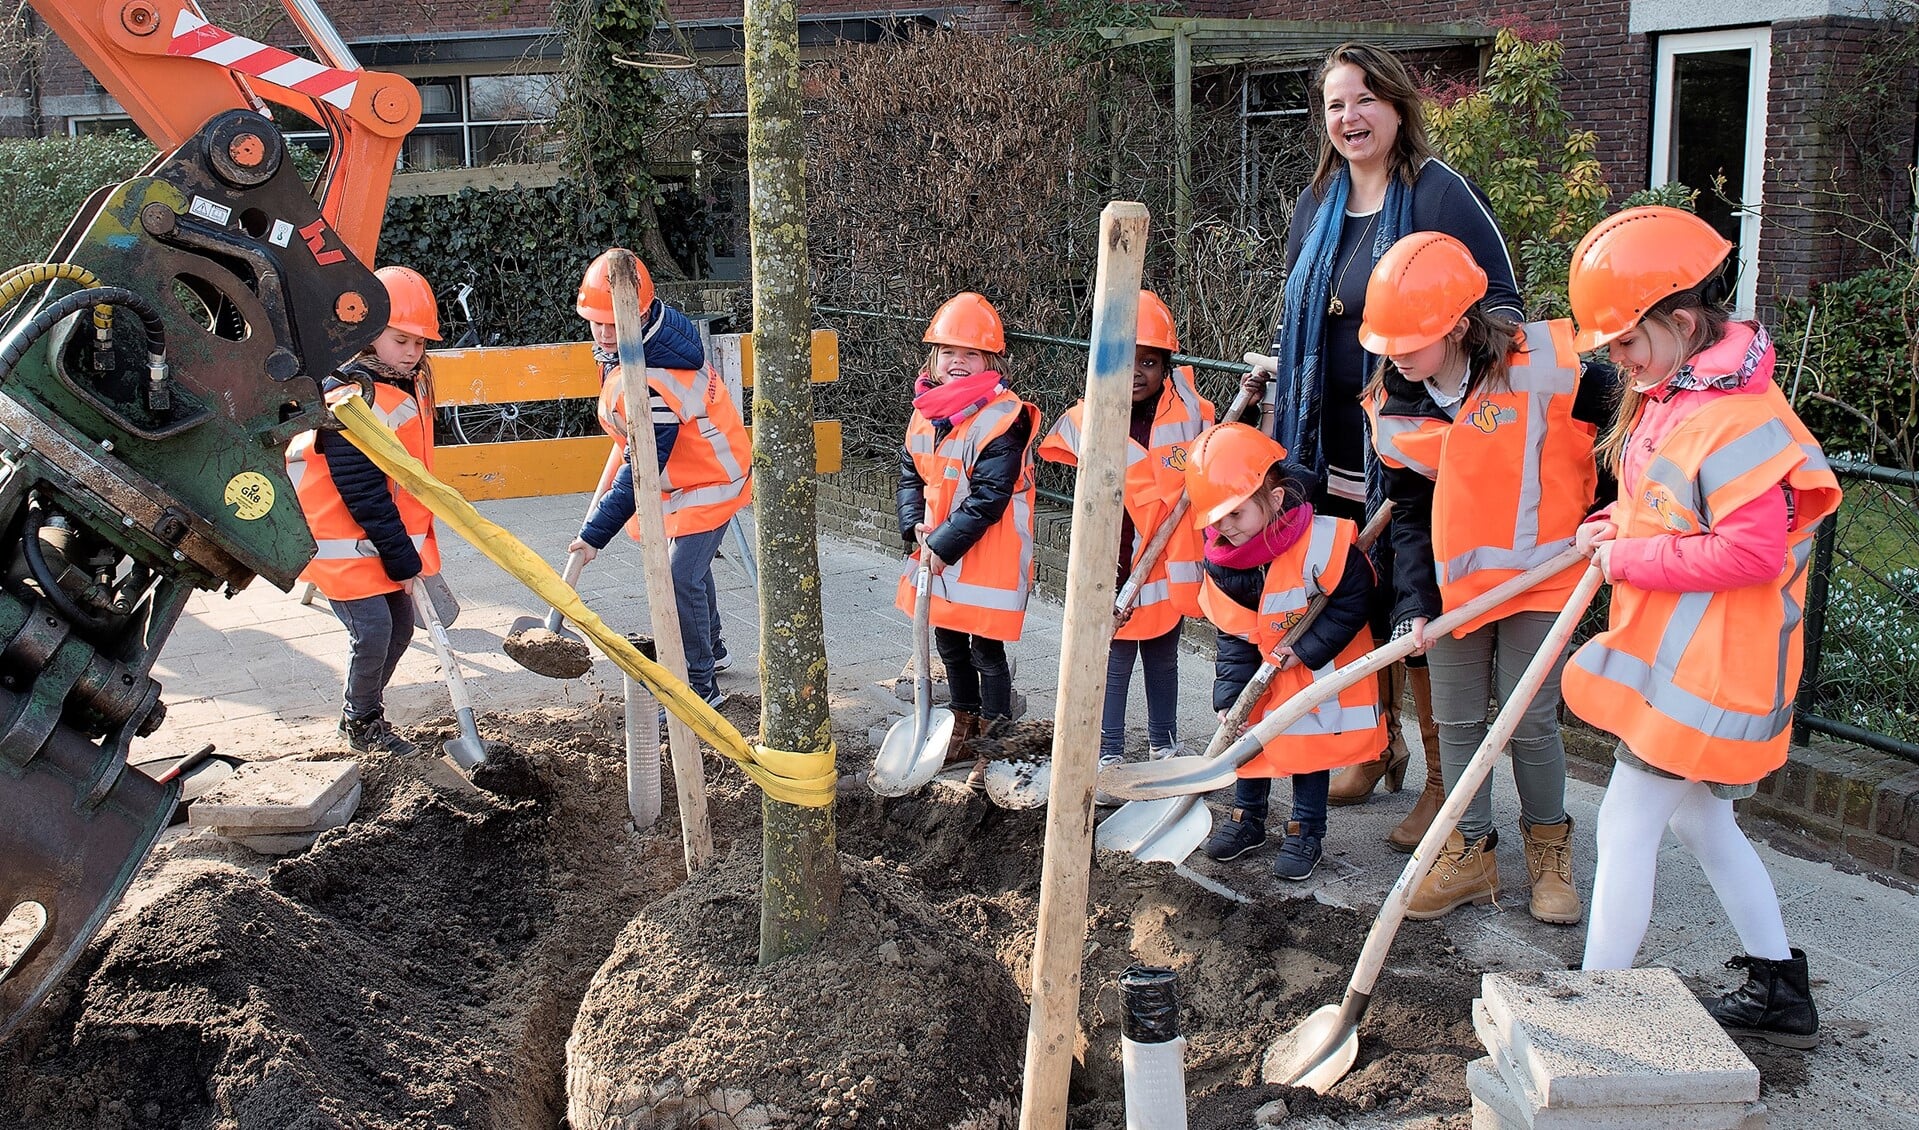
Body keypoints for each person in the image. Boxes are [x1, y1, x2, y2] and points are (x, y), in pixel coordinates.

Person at [1560, 207, 1841, 1050]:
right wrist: (1615, 524)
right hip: (1693, 662)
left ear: (1681, 325)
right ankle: (1778, 987)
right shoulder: (1679, 393)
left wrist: (1627, 564)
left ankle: (1594, 1009)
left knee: (1625, 824)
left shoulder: (1734, 417)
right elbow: (1671, 508)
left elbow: (1748, 554)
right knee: (1696, 822)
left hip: (1715, 670)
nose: (1616, 359)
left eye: (1626, 341)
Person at [1244, 42, 1525, 837]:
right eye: (1335, 104)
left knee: (1418, 592)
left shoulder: (1438, 196)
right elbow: (1296, 304)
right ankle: (1377, 747)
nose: (1349, 116)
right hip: (1324, 432)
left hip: (1412, 438)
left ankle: (1442, 779)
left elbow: (1499, 304)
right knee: (1351, 589)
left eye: (1364, 99)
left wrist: (1444, 381)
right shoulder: (1317, 200)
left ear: (1397, 106)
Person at [1357, 231, 1617, 922]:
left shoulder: (1553, 368)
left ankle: (1547, 854)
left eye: (1409, 343)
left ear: (1459, 327)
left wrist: (1609, 511)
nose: (1395, 359)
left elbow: (1627, 438)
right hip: (1453, 588)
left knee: (1528, 722)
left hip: (1545, 573)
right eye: (1387, 345)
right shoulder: (1396, 400)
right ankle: (1470, 853)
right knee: (1457, 719)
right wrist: (1411, 602)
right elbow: (1408, 511)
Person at [1188, 423, 1387, 879]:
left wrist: (1308, 650)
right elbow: (1233, 635)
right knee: (1246, 734)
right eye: (1215, 519)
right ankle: (1247, 819)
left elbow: (1356, 599)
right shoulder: (1224, 565)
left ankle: (1305, 830)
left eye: (1235, 515)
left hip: (1312, 670)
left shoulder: (1322, 542)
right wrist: (1230, 698)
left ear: (1274, 500)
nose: (1224, 528)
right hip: (1261, 668)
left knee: (1307, 748)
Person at [1039, 291, 1214, 790]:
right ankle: (1109, 750)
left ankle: (1164, 743)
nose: (1138, 372)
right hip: (1113, 560)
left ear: (1166, 365)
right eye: (1127, 359)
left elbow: (1216, 462)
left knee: (1162, 657)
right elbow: (1060, 445)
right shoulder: (1091, 414)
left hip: (1165, 562)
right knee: (1113, 659)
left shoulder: (1192, 413)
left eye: (1150, 361)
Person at [568, 249, 752, 706]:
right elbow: (636, 445)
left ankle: (699, 686)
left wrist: (594, 536)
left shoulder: (653, 377)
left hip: (711, 482)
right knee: (692, 570)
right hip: (690, 475)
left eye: (614, 322)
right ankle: (715, 648)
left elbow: (642, 471)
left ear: (641, 310)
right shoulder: (639, 344)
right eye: (597, 322)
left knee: (678, 577)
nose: (605, 333)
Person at [287, 265, 443, 755]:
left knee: (397, 630)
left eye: (420, 344)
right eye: (402, 341)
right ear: (369, 333)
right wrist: (400, 553)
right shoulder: (351, 398)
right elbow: (361, 487)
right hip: (345, 546)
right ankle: (360, 722)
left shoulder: (405, 385)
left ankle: (366, 710)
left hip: (378, 543)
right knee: (374, 630)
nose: (413, 353)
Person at [896, 293, 1040, 783]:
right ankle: (962, 722)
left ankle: (994, 739)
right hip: (940, 551)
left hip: (989, 558)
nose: (958, 362)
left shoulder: (1005, 417)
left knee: (987, 652)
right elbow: (909, 475)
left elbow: (990, 497)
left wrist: (939, 546)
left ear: (991, 362)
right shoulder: (926, 412)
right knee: (950, 645)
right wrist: (910, 521)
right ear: (932, 360)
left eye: (971, 354)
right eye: (948, 352)